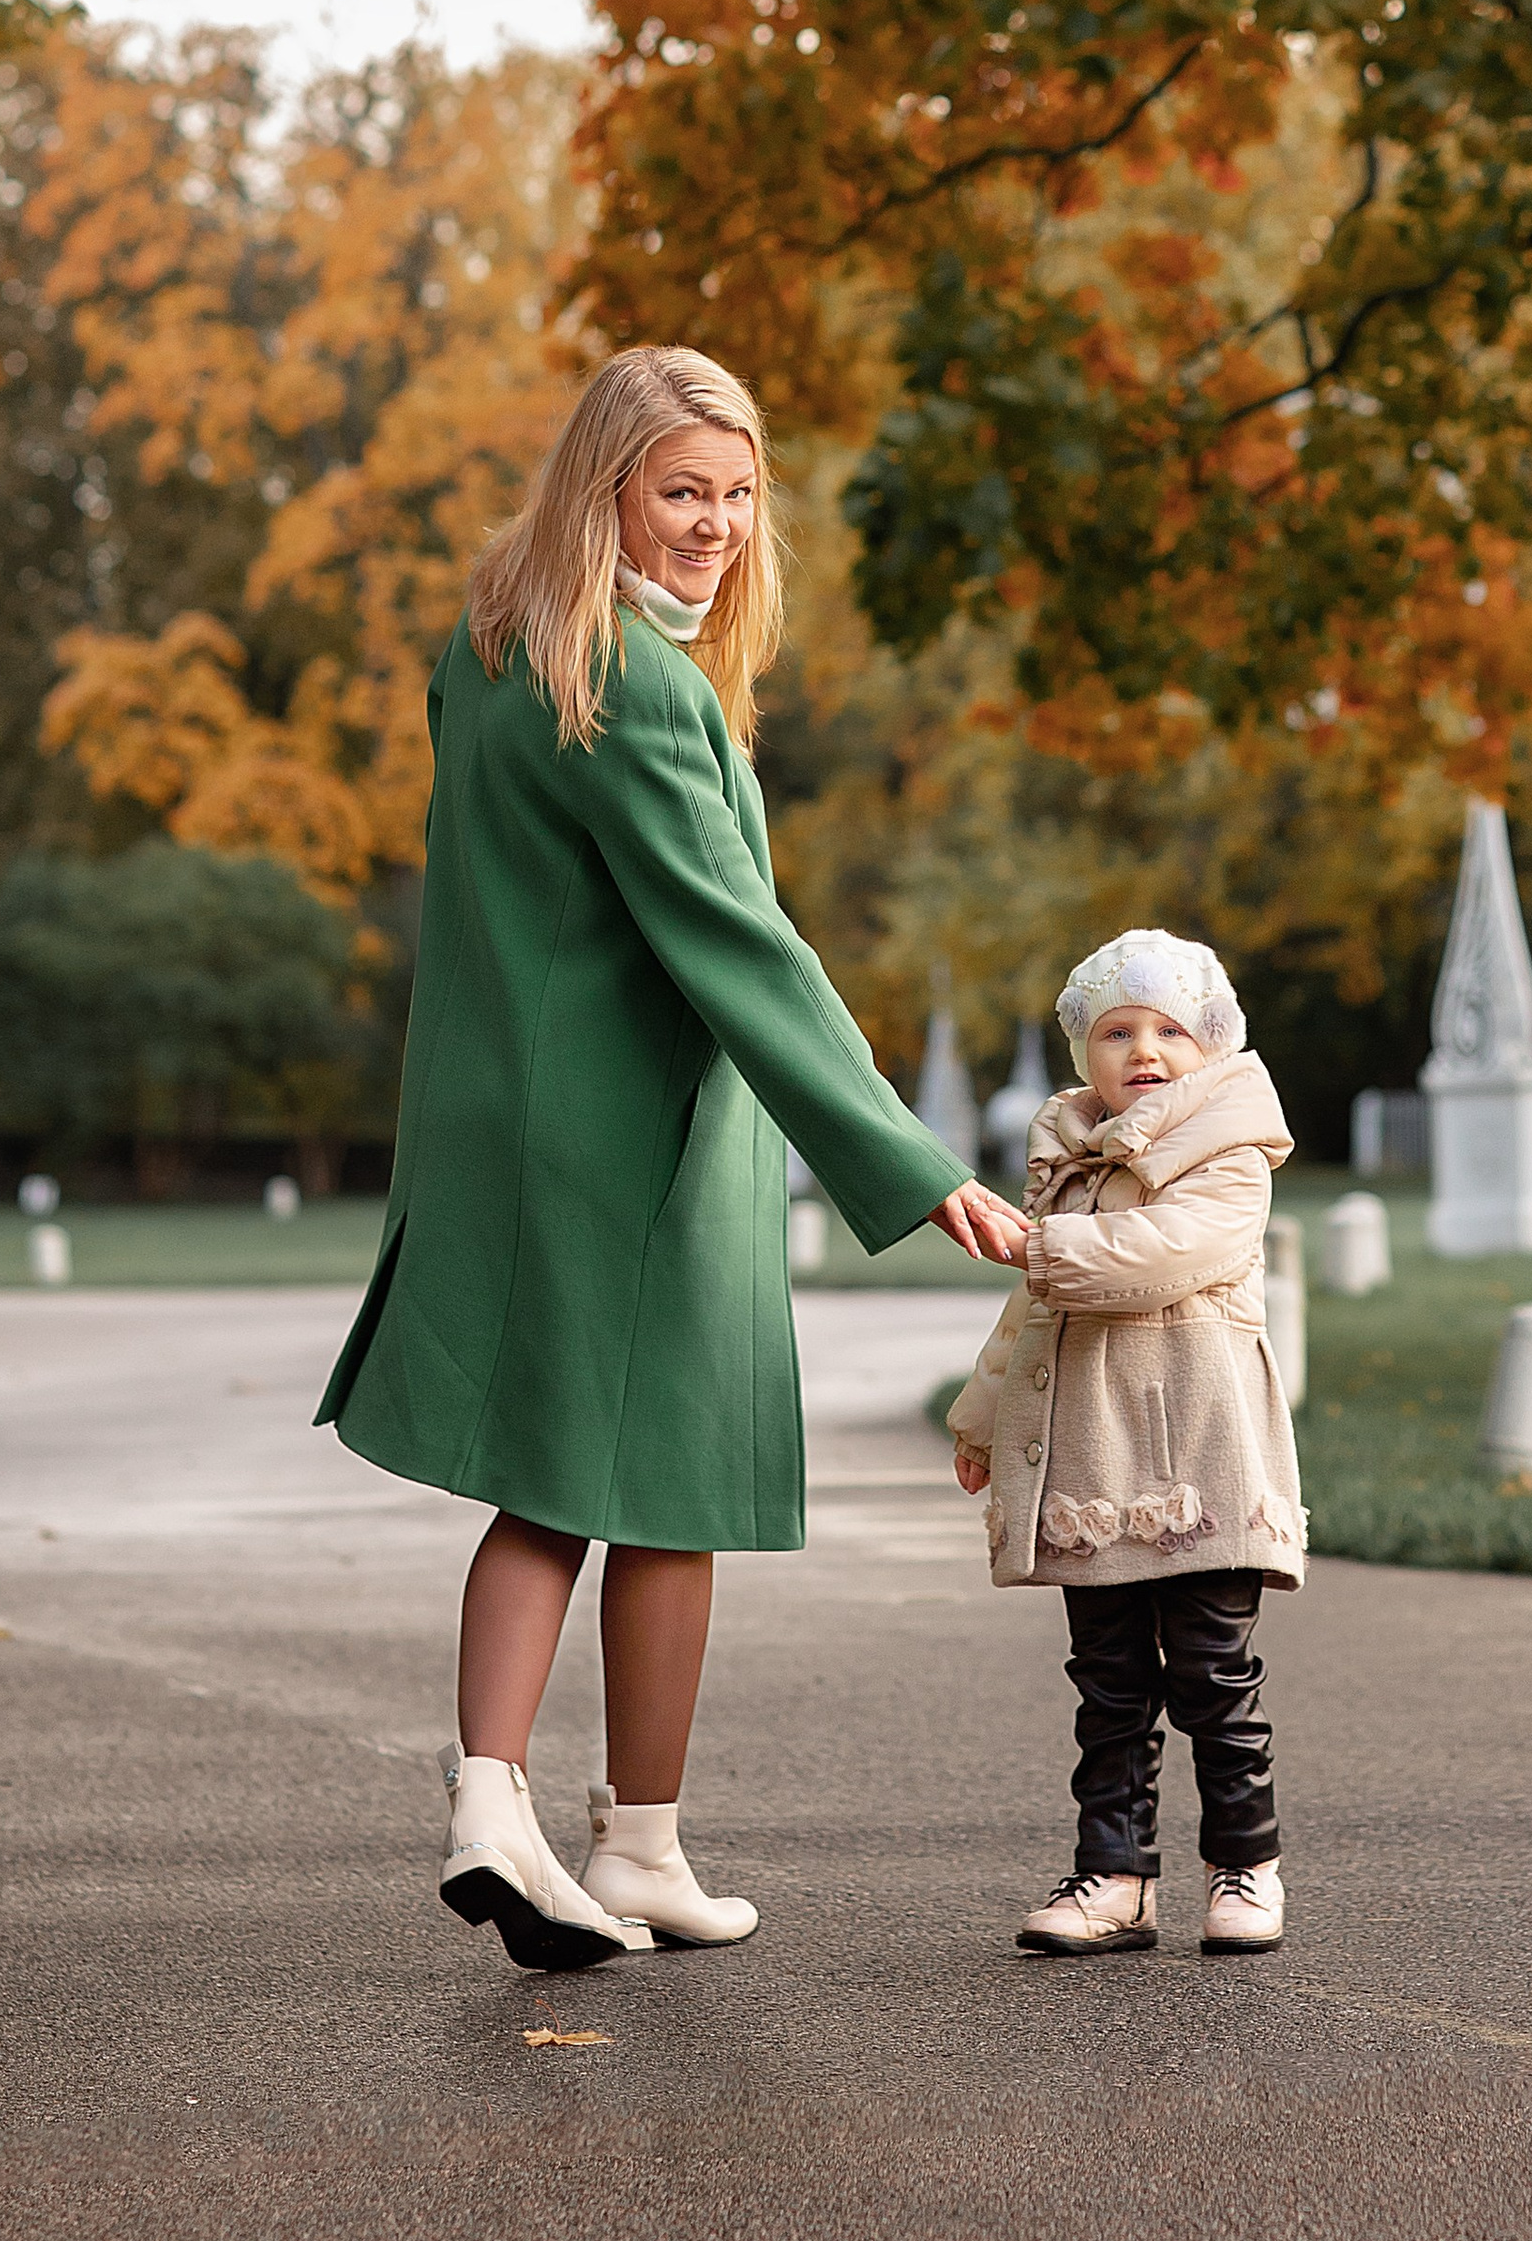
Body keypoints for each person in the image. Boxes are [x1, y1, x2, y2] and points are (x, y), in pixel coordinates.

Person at [316, 345, 1028, 1970]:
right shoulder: (636, 688)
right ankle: (568, 1825)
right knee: (660, 1479)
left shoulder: (496, 644)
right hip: (636, 1132)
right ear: (606, 487)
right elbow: (743, 943)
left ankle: (577, 1825)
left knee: (564, 1479)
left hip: (506, 1108)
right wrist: (914, 1163)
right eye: (680, 492)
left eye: (734, 494)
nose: (712, 525)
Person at [946, 930, 1303, 1958]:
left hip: (1200, 1453)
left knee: (1210, 1673)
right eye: (1116, 1031)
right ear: (1083, 1055)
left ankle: (1246, 1862)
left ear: (1211, 1045)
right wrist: (981, 1414)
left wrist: (1039, 1245)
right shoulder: (1072, 1164)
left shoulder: (1232, 1156)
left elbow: (1163, 1256)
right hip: (1095, 1458)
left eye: (1169, 1029)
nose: (1143, 1049)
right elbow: (1031, 1315)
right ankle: (1113, 1875)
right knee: (1106, 1682)